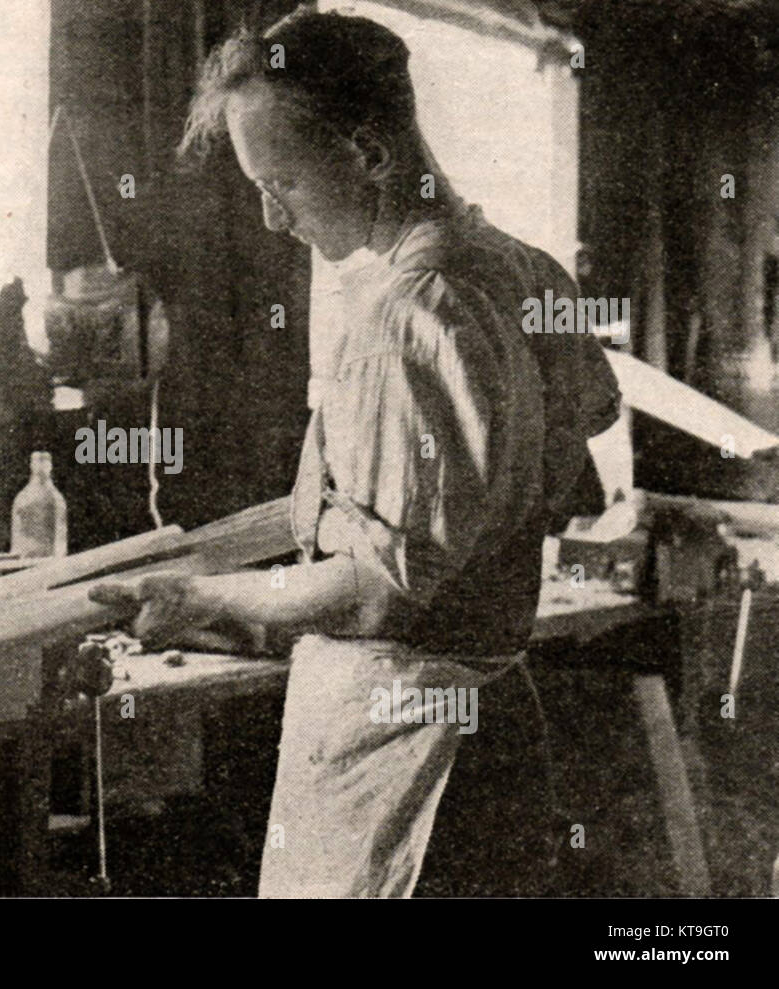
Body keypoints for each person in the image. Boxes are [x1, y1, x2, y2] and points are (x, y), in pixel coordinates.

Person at [89, 7, 621, 897]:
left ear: (370, 154)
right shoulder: (530, 273)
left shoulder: (406, 316)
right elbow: (571, 464)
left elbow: (380, 589)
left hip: (406, 748)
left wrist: (198, 598)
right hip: (492, 724)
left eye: (284, 183)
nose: (269, 218)